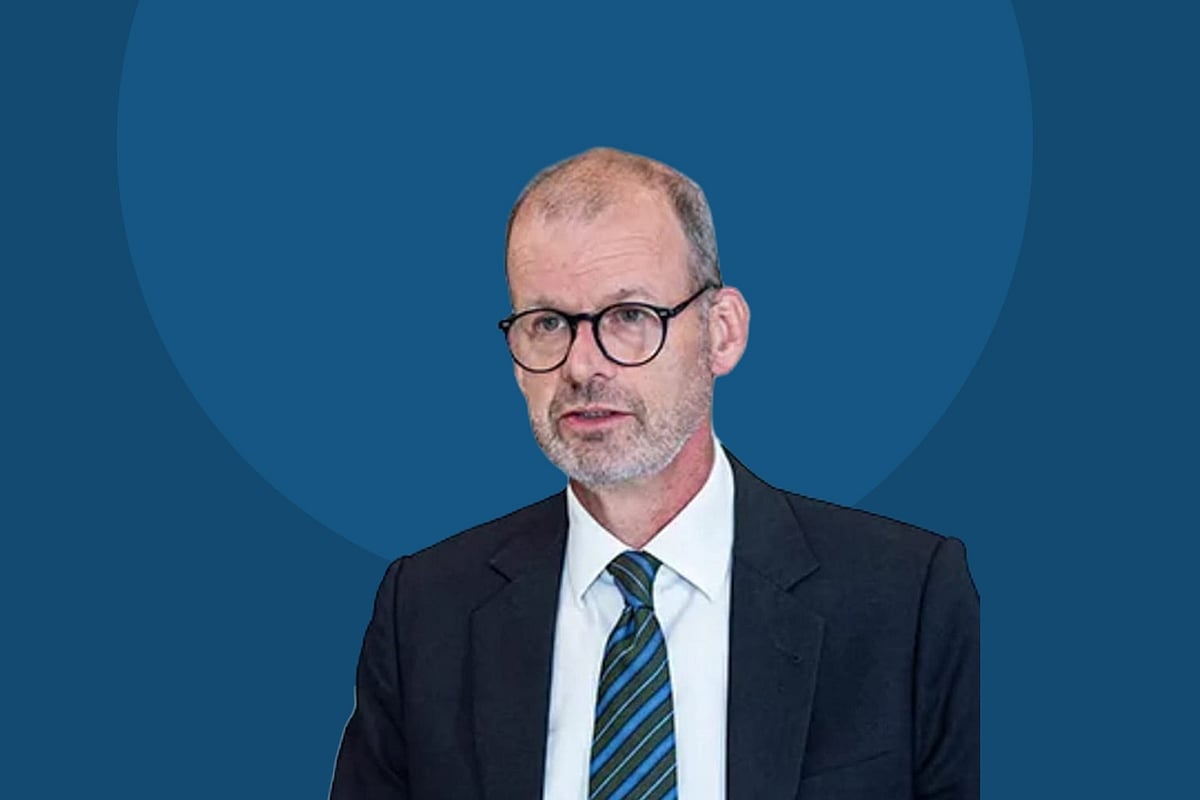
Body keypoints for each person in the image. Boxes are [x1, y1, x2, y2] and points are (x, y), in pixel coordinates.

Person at [330, 147, 979, 800]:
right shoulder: (425, 612)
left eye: (630, 317)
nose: (582, 366)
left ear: (722, 333)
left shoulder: (908, 601)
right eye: (548, 323)